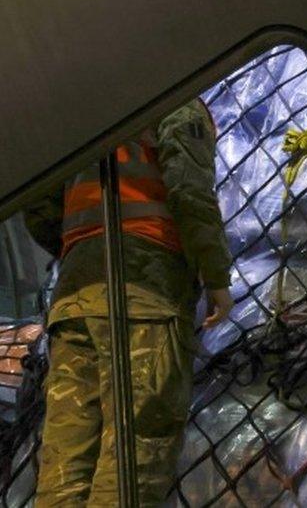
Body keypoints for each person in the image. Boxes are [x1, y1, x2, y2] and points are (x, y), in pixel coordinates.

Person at [23, 98, 234, 506]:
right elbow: (189, 190)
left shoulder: (78, 113)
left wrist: (83, 250)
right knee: (134, 456)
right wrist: (215, 277)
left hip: (74, 299)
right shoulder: (178, 99)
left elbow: (38, 205)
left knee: (64, 463)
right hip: (144, 295)